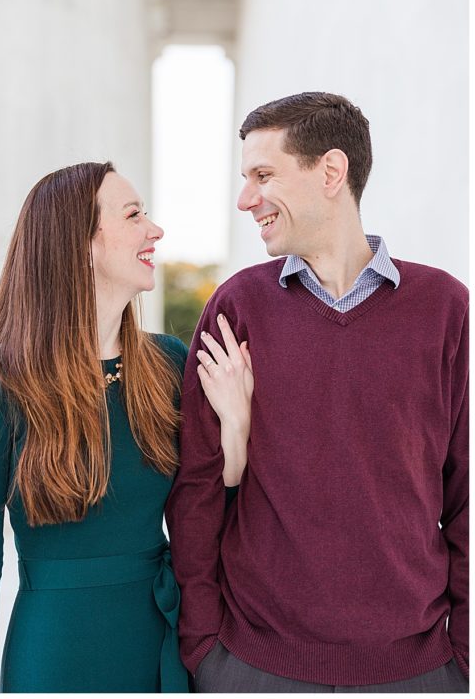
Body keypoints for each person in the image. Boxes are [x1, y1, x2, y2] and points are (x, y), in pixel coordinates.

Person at [166, 92, 469, 692]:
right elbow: (196, 488)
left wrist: (462, 654)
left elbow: (467, 493)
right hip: (255, 668)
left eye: (263, 175)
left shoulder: (444, 309)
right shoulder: (239, 307)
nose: (245, 199)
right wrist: (206, 648)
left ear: (331, 172)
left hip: (420, 671)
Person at [0, 162, 251, 692]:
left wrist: (236, 424)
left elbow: (212, 509)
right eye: (134, 214)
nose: (155, 229)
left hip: (162, 642)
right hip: (55, 653)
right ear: (81, 243)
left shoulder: (168, 363)